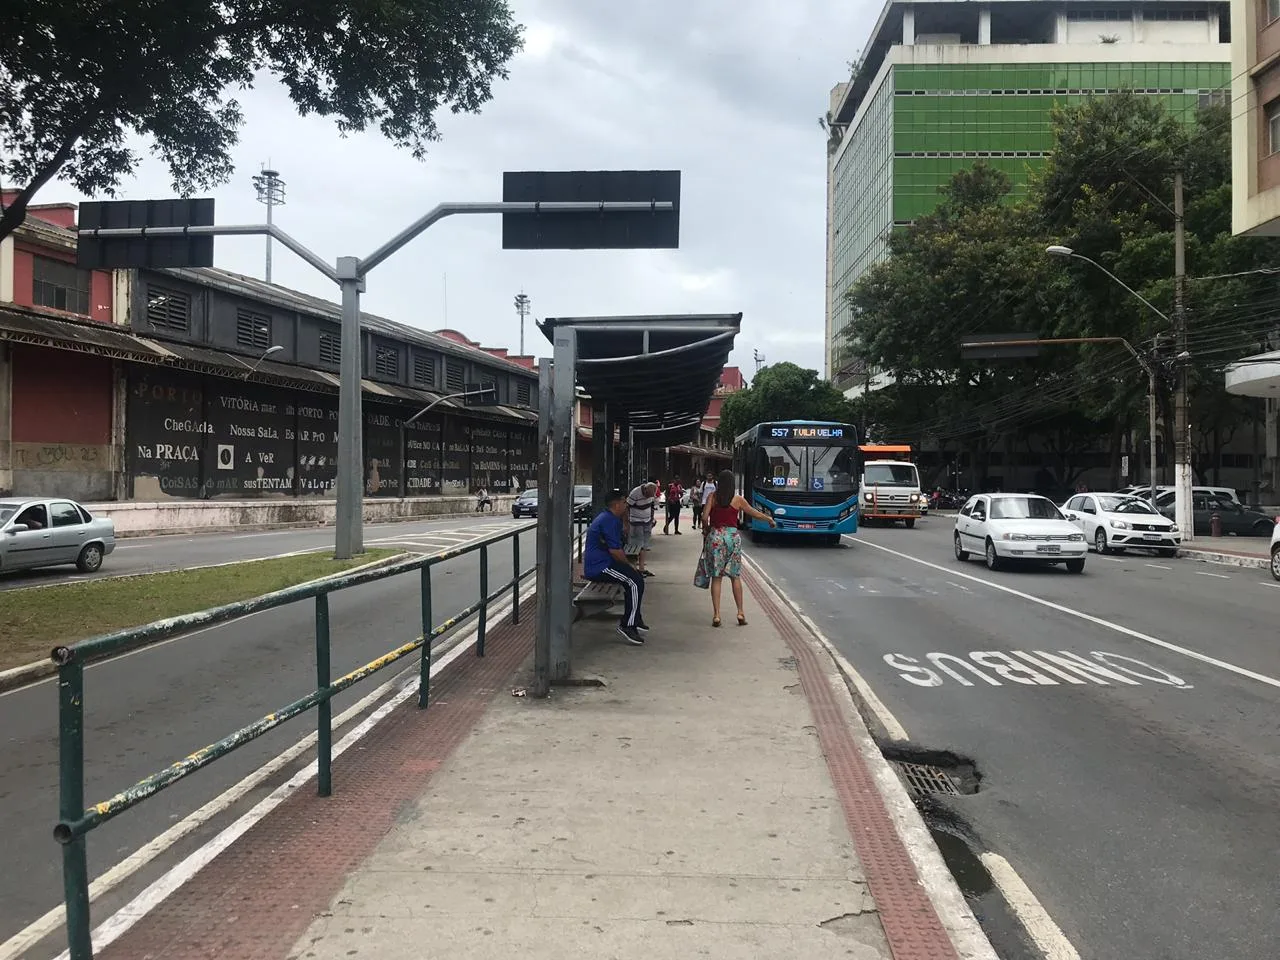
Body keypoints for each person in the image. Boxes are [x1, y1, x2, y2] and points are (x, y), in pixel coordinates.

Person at [698, 469, 776, 627]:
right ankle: (740, 612)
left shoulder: (713, 497)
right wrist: (769, 518)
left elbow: (704, 517)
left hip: (715, 537)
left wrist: (706, 530)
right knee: (735, 576)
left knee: (717, 577)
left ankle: (717, 615)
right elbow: (753, 513)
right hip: (732, 538)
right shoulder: (738, 499)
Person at [584, 489, 649, 645]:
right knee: (634, 582)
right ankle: (627, 625)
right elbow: (615, 551)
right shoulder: (608, 520)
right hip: (599, 567)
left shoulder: (610, 517)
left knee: (637, 579)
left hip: (606, 563)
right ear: (617, 503)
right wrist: (630, 565)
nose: (626, 505)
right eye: (624, 502)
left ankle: (635, 617)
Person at [625, 480, 659, 577]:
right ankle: (633, 569)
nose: (648, 497)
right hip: (636, 522)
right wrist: (627, 522)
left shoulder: (651, 494)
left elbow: (652, 507)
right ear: (645, 490)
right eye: (647, 495)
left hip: (647, 522)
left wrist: (652, 519)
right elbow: (627, 507)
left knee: (645, 545)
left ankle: (641, 568)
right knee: (636, 546)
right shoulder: (635, 493)